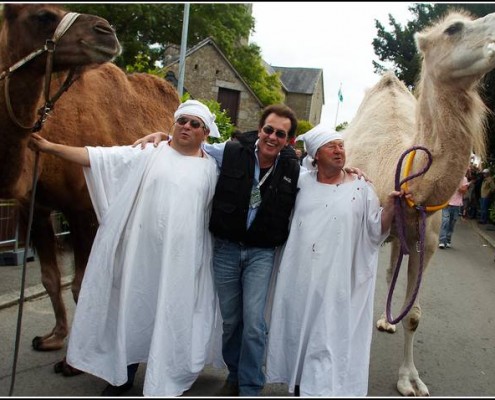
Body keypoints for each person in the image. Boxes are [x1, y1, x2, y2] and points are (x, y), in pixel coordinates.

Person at [133, 105, 367, 397]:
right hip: (227, 250)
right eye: (268, 130)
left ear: (289, 141)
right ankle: (234, 373)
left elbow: (326, 175)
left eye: (280, 134)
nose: (272, 137)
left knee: (254, 322)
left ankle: (250, 386)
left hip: (261, 253)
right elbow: (195, 146)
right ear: (260, 130)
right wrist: (162, 136)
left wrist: (348, 170)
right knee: (231, 321)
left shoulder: (294, 169)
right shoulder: (230, 151)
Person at [28, 100, 223, 397]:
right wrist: (48, 147)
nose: (186, 127)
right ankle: (122, 376)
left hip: (183, 262)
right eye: (182, 120)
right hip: (140, 259)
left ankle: (168, 375)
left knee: (173, 315)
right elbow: (97, 158)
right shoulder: (149, 153)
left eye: (195, 124)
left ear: (205, 132)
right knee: (133, 312)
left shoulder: (212, 169)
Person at [264, 124, 407, 397]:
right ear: (316, 154)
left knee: (328, 332)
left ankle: (319, 388)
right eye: (331, 146)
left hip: (338, 279)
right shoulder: (300, 181)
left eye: (341, 145)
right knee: (299, 328)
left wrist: (390, 206)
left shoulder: (361, 187)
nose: (339, 150)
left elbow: (375, 230)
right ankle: (298, 382)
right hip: (300, 275)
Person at [438, 175, 469, 249]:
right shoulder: (448, 176)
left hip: (456, 204)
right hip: (446, 203)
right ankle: (442, 241)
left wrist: (456, 185)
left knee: (452, 223)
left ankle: (448, 240)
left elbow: (464, 191)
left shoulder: (464, 179)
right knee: (445, 221)